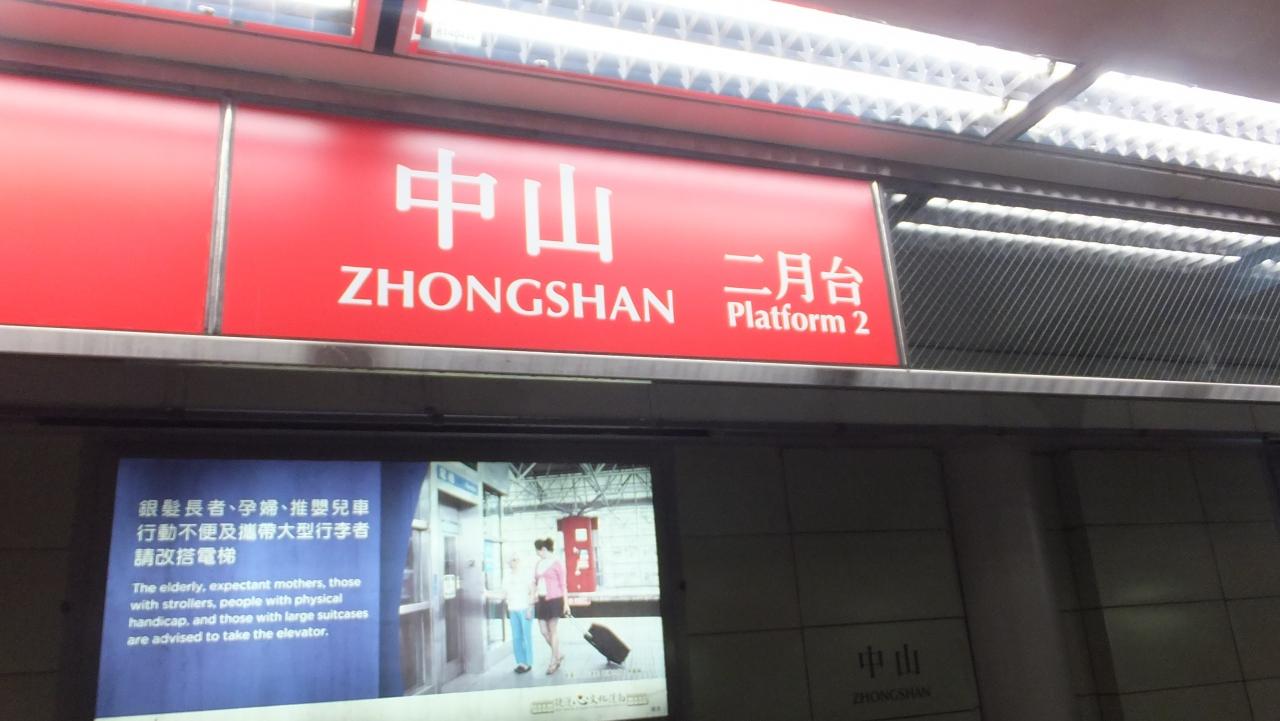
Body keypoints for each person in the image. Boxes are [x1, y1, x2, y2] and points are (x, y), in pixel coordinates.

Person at [533, 537, 567, 674]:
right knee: (543, 630)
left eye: (537, 551)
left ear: (543, 549)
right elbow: (535, 581)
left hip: (554, 600)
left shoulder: (557, 563)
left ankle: (554, 661)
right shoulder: (538, 563)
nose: (537, 554)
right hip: (541, 600)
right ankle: (558, 654)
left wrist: (566, 604)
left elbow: (563, 585)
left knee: (553, 630)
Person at [499, 555, 535, 673]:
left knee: (526, 636)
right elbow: (503, 594)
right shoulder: (506, 577)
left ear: (519, 561)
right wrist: (486, 593)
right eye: (510, 560)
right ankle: (520, 662)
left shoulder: (526, 574)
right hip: (513, 609)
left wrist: (530, 607)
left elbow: (532, 591)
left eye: (514, 560)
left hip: (525, 608)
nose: (512, 562)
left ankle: (528, 663)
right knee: (516, 637)